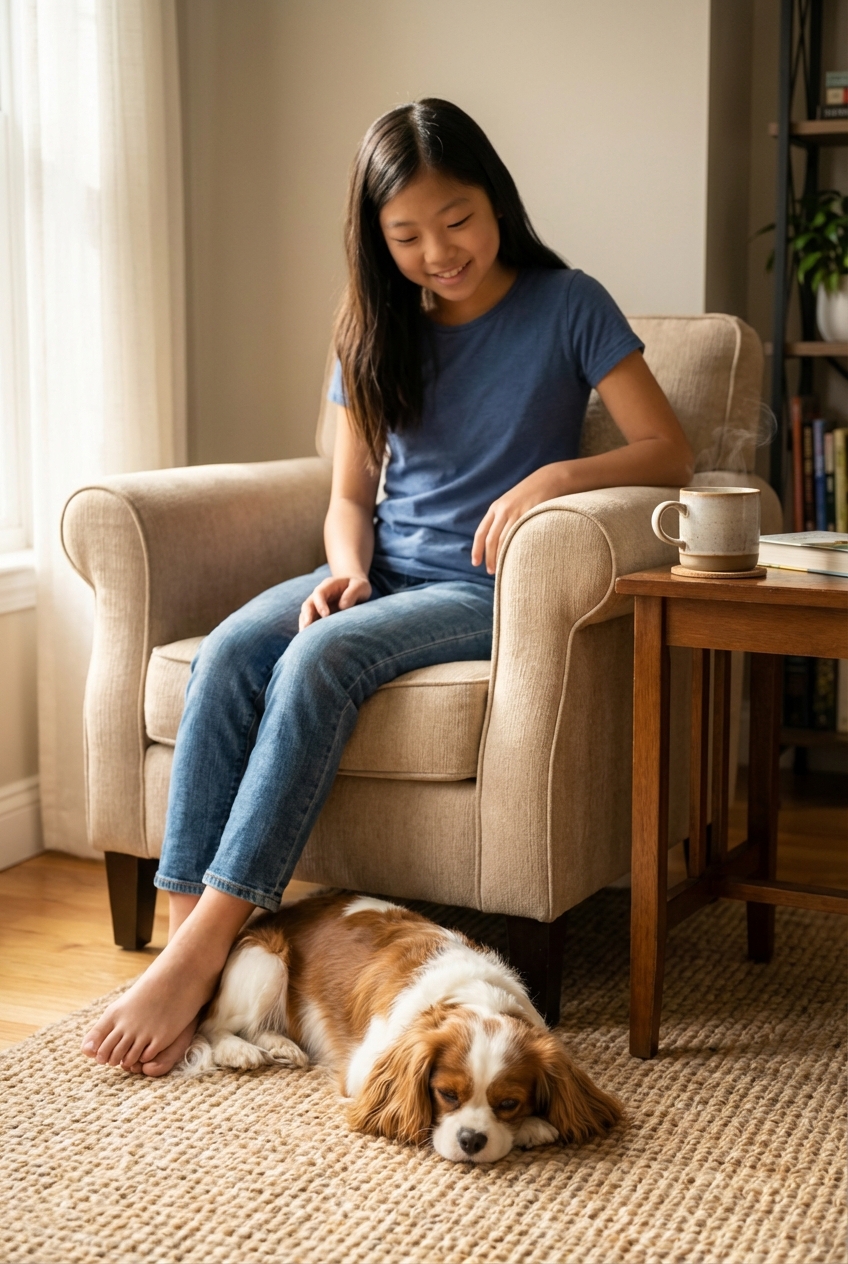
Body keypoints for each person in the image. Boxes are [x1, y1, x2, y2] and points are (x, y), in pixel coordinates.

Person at [82, 98, 693, 1076]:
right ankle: (193, 934)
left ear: (493, 199)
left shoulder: (568, 302)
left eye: (454, 220)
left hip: (483, 588)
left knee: (318, 659)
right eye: (404, 234)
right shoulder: (372, 322)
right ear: (376, 238)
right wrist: (347, 566)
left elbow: (669, 451)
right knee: (238, 648)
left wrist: (548, 479)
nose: (435, 250)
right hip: (386, 573)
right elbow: (348, 496)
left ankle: (195, 958)